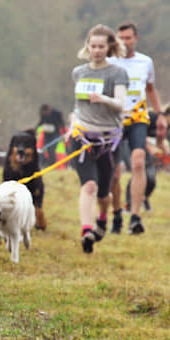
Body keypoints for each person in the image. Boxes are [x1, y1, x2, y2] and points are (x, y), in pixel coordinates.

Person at [67, 24, 128, 254]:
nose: (97, 50)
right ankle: (86, 231)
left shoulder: (117, 73)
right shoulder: (79, 73)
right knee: (89, 185)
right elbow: (78, 104)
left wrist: (103, 98)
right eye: (93, 46)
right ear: (87, 47)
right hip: (82, 138)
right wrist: (72, 122)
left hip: (108, 141)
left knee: (104, 193)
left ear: (109, 47)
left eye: (101, 46)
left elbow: (121, 105)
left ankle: (103, 216)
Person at [108, 22, 162, 235]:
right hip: (115, 120)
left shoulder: (145, 62)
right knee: (114, 172)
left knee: (138, 163)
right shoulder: (110, 62)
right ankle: (116, 214)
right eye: (121, 38)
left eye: (128, 38)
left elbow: (150, 89)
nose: (124, 42)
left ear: (136, 38)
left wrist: (161, 115)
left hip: (139, 118)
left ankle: (136, 216)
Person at [126, 108, 170, 212]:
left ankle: (143, 199)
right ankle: (129, 204)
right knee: (139, 174)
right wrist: (150, 148)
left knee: (151, 179)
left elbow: (161, 142)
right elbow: (137, 134)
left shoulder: (165, 126)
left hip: (146, 151)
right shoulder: (152, 118)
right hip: (134, 146)